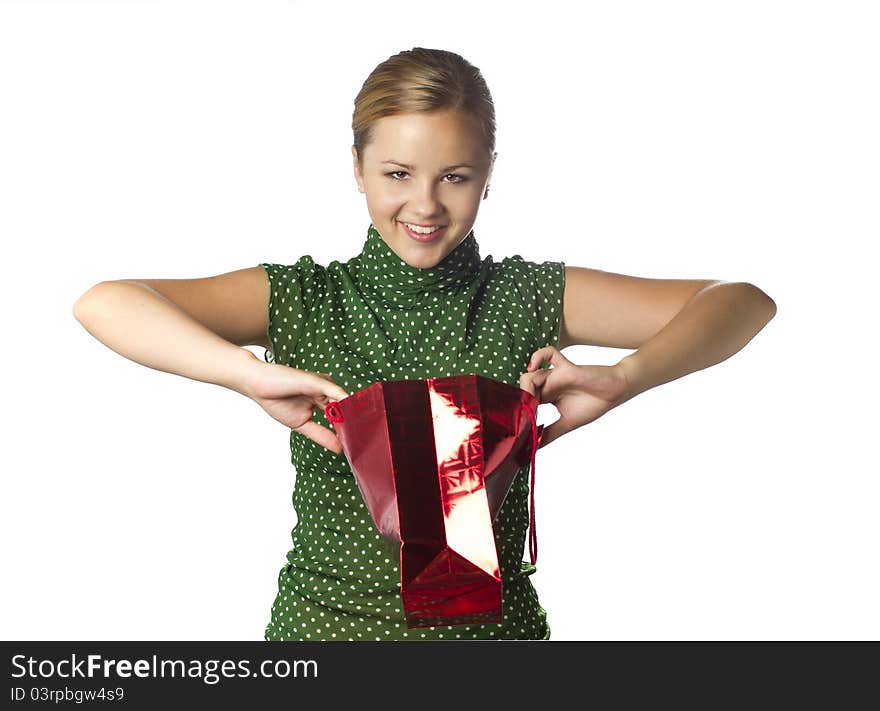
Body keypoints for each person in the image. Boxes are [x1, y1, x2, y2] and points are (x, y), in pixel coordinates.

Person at [72, 47, 776, 641]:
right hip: (323, 635)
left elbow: (741, 302)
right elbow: (105, 303)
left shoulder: (528, 296)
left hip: (498, 642)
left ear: (489, 173)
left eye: (456, 177)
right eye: (398, 174)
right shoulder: (303, 298)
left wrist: (626, 376)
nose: (427, 205)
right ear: (357, 168)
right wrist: (243, 372)